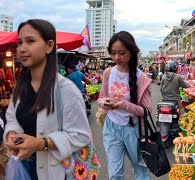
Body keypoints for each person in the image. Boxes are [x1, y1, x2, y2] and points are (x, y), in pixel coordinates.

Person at [4, 19, 91, 180]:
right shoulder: (20, 87)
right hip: (21, 169)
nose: (22, 48)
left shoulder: (66, 89)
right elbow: (11, 118)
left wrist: (41, 143)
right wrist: (11, 134)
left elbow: (81, 135)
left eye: (30, 41)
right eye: (19, 42)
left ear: (49, 46)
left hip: (53, 171)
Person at [97, 31, 151, 180]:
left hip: (133, 130)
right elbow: (101, 97)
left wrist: (125, 105)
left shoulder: (142, 78)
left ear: (131, 52)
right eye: (113, 53)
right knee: (114, 173)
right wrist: (104, 103)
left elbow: (146, 111)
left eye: (121, 53)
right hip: (111, 127)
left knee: (140, 170)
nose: (117, 58)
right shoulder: (108, 72)